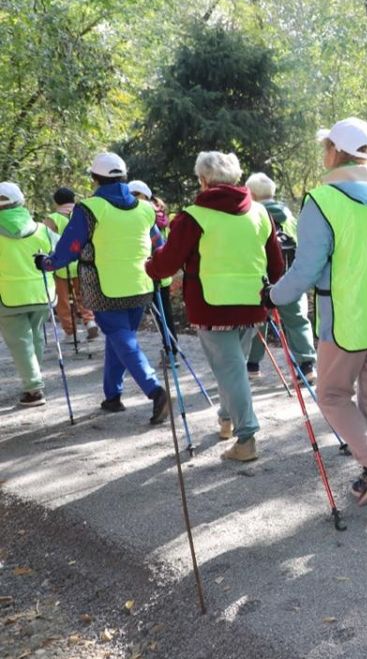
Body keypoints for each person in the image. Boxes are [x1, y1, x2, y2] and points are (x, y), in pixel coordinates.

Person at [268, 118, 367, 507]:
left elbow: (307, 268)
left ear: (335, 151)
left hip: (346, 319)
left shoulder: (322, 200)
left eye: (325, 148)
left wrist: (275, 295)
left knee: (331, 393)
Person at [145, 152, 285, 462]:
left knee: (230, 369)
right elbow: (276, 266)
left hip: (212, 306)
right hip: (253, 303)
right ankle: (226, 419)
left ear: (204, 180)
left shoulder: (193, 216)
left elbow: (167, 263)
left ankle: (246, 435)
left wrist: (149, 267)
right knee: (232, 367)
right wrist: (274, 294)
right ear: (236, 178)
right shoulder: (261, 213)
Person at [36, 152, 169, 424]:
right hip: (140, 285)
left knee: (122, 337)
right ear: (124, 176)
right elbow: (159, 244)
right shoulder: (146, 210)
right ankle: (112, 396)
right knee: (120, 338)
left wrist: (48, 263)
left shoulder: (90, 209)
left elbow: (71, 247)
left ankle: (155, 391)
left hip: (104, 287)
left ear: (95, 178)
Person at [243, 172, 316, 383]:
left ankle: (252, 365)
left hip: (262, 279)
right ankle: (307, 366)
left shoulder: (252, 214)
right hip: (291, 276)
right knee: (297, 321)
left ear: (253, 194)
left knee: (259, 320)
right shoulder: (289, 215)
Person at [0, 182, 56, 407]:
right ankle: (34, 380)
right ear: (21, 202)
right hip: (41, 293)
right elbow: (58, 254)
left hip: (8, 296)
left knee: (21, 341)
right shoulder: (42, 229)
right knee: (35, 337)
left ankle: (33, 389)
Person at [43, 187, 98, 341]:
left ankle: (70, 331)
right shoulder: (83, 214)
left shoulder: (52, 218)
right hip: (82, 261)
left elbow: (46, 241)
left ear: (56, 202)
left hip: (60, 264)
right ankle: (90, 320)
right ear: (73, 199)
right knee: (83, 295)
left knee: (63, 300)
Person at [130, 180, 178, 343]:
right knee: (163, 314)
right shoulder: (160, 214)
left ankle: (128, 351)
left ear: (144, 195)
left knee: (152, 315)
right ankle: (171, 347)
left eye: (135, 194)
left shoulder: (141, 214)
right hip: (159, 271)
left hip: (145, 271)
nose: (132, 198)